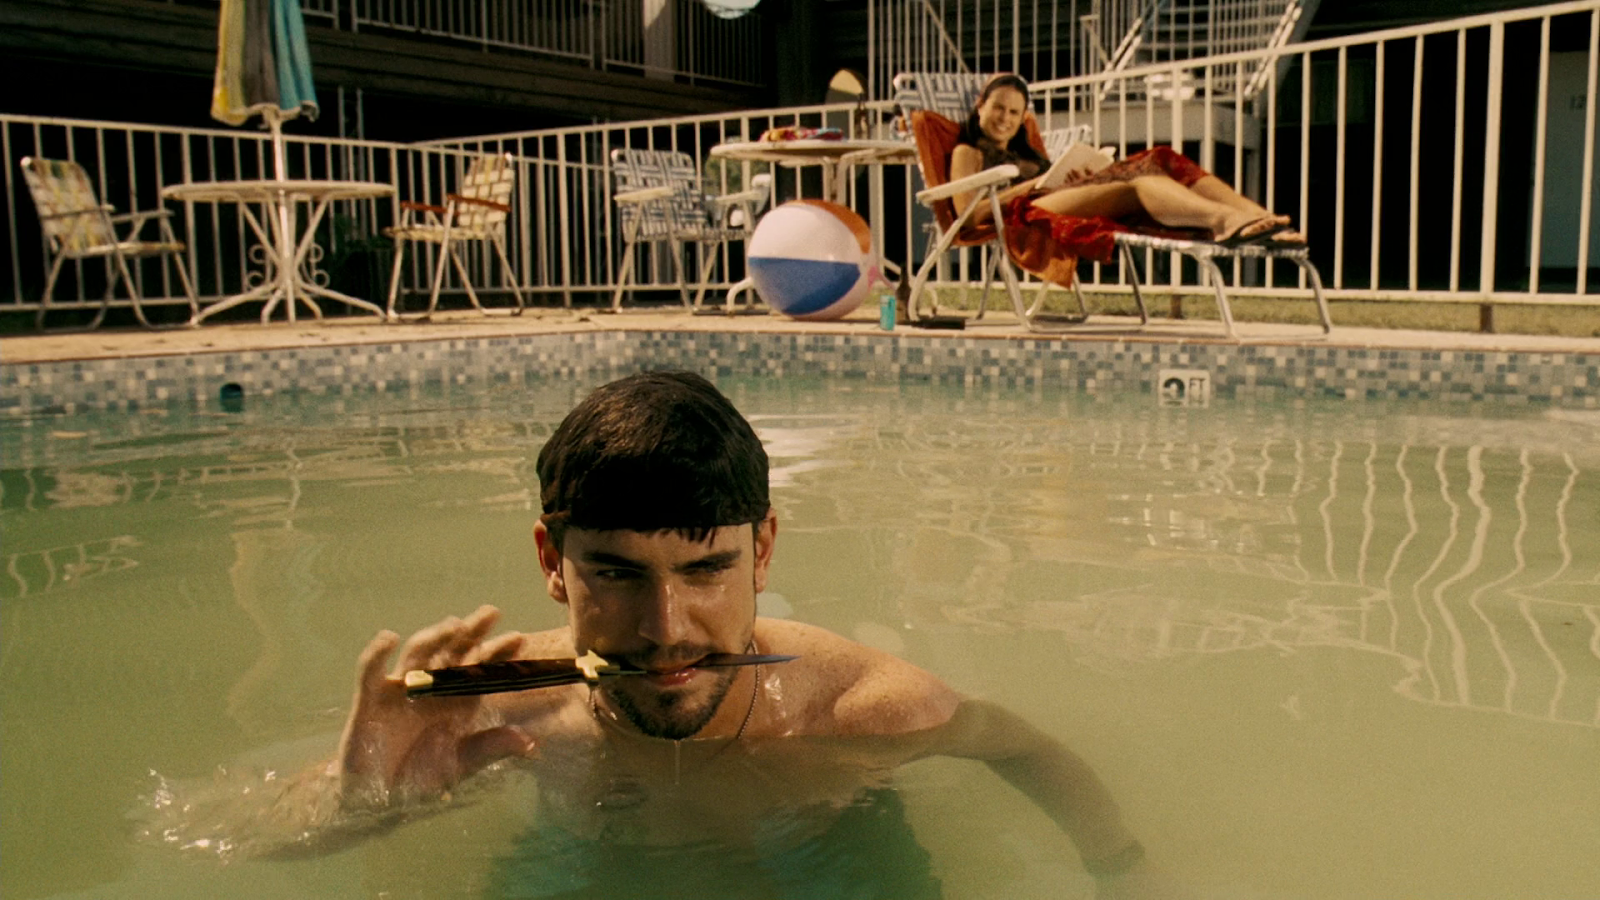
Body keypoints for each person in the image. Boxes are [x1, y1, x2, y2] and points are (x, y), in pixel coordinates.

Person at [177, 371, 1178, 899]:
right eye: (616, 574)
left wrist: (1122, 868)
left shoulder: (863, 708)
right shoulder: (502, 701)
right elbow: (203, 834)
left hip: (820, 867)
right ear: (551, 561)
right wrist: (357, 801)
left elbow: (1027, 750)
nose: (667, 630)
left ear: (763, 550)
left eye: (705, 571)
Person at [949, 73, 1304, 266]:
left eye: (1014, 112)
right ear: (980, 106)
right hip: (1019, 214)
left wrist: (1073, 180)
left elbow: (1050, 185)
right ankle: (1222, 220)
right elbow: (968, 216)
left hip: (1048, 198)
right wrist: (1033, 184)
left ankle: (1256, 217)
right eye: (998, 108)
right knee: (1138, 177)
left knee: (1161, 157)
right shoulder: (968, 151)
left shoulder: (1025, 151)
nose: (1005, 118)